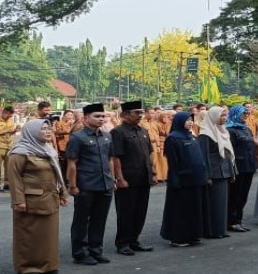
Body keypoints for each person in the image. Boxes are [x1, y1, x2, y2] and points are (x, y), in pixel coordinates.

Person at [6, 119, 68, 274]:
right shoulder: (20, 152)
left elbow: (56, 175)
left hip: (50, 198)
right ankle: (28, 267)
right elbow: (14, 178)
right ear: (31, 132)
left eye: (49, 128)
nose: (48, 131)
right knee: (28, 235)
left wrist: (62, 193)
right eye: (43, 129)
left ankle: (48, 265)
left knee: (47, 235)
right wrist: (18, 200)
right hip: (30, 201)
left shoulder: (48, 150)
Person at [66, 103, 114, 265]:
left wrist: (112, 179)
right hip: (86, 185)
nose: (101, 119)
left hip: (104, 184)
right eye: (97, 116)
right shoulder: (77, 137)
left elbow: (110, 160)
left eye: (103, 116)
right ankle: (80, 253)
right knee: (81, 220)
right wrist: (72, 185)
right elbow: (72, 163)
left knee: (99, 219)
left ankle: (96, 250)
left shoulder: (107, 136)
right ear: (86, 118)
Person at [110, 100, 156, 255]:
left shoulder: (143, 131)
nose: (140, 115)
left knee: (140, 211)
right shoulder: (118, 132)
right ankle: (123, 243)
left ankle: (134, 240)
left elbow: (149, 153)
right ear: (125, 114)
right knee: (126, 212)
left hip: (143, 177)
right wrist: (120, 178)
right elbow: (116, 157)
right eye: (136, 112)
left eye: (141, 112)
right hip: (128, 179)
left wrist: (153, 173)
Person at [161, 111, 208, 245]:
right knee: (181, 210)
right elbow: (173, 162)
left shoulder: (191, 136)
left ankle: (193, 235)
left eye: (191, 120)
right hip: (182, 180)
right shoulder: (173, 138)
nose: (190, 122)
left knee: (195, 208)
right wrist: (175, 179)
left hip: (196, 179)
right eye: (187, 120)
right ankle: (178, 238)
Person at [198, 106, 235, 237]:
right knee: (214, 203)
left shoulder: (222, 131)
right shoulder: (205, 134)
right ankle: (212, 231)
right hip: (213, 174)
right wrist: (207, 175)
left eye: (225, 115)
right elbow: (203, 157)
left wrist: (231, 172)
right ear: (214, 116)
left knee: (222, 203)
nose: (224, 118)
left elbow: (228, 154)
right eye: (222, 116)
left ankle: (220, 229)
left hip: (224, 172)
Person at [225, 104, 258, 232]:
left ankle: (238, 219)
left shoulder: (246, 129)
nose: (246, 116)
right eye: (243, 113)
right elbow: (230, 152)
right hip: (238, 167)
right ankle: (232, 221)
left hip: (248, 166)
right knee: (235, 195)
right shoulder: (230, 130)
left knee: (243, 195)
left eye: (247, 114)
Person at [0, 107, 19, 192]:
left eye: (11, 116)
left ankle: (7, 183)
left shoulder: (10, 120)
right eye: (9, 115)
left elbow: (10, 132)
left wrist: (15, 130)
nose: (10, 117)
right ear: (4, 112)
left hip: (9, 146)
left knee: (8, 166)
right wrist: (5, 131)